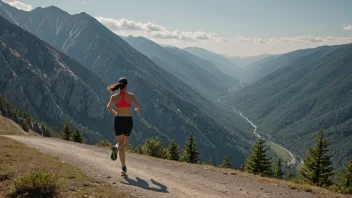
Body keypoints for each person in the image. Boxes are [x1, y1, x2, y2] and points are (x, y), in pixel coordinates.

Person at [106, 77, 141, 174]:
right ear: (126, 85)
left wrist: (115, 113)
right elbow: (138, 107)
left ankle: (123, 166)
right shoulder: (131, 96)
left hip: (118, 120)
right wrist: (136, 110)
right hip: (128, 121)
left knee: (120, 142)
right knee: (123, 144)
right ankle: (118, 153)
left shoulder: (114, 97)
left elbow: (108, 108)